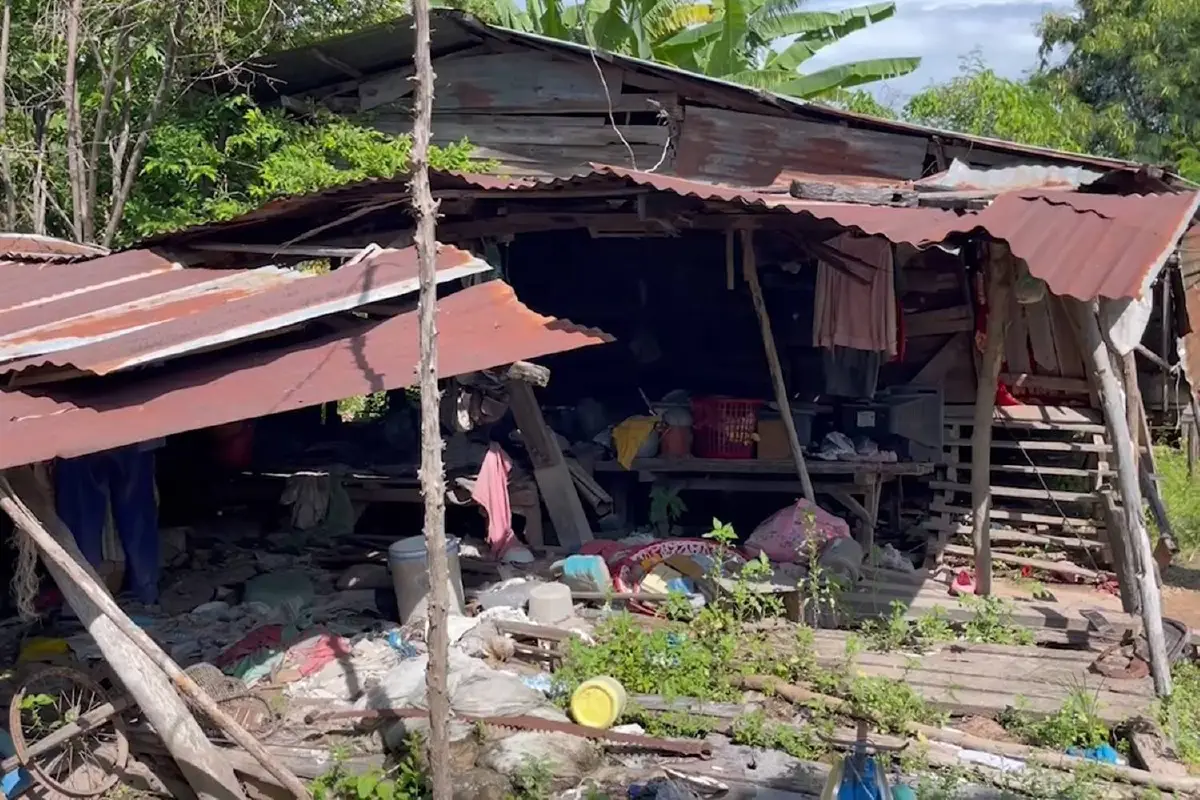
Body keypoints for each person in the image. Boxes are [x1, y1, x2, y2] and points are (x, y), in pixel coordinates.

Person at [54, 440, 162, 605]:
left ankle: (84, 596)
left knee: (82, 513)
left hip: (76, 433)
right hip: (134, 426)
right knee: (137, 507)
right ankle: (146, 591)